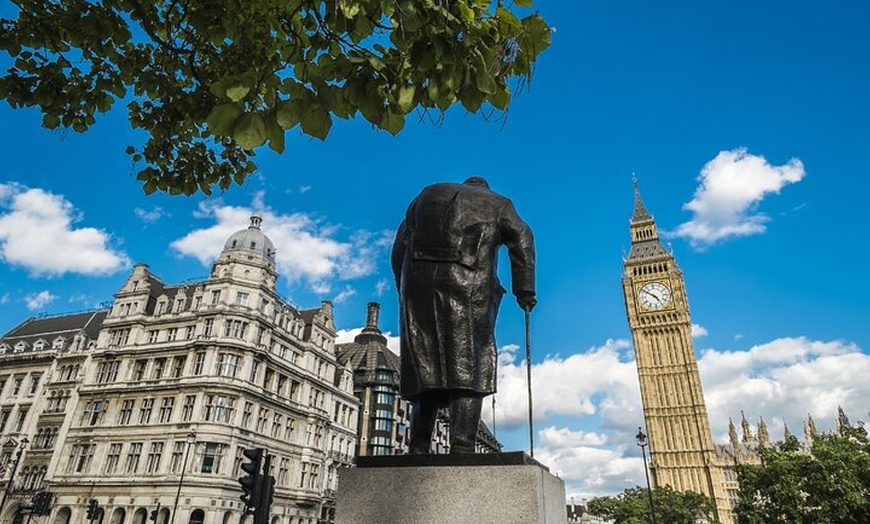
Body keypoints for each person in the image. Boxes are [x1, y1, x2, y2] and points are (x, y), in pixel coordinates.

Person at [391, 177, 536, 454]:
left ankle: (418, 444)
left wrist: (405, 287)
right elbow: (523, 238)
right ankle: (462, 445)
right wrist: (525, 291)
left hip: (418, 286)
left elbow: (399, 248)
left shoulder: (425, 194)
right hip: (470, 286)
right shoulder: (498, 203)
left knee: (425, 365)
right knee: (470, 362)